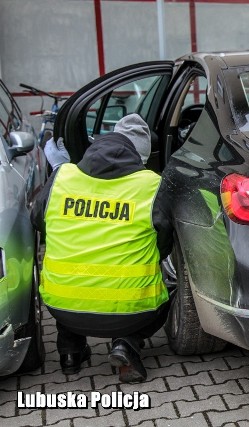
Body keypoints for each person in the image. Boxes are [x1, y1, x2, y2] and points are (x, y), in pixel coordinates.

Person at [31, 114, 173, 383]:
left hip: (61, 306)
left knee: (73, 288)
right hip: (133, 312)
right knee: (166, 296)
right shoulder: (151, 184)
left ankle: (70, 353)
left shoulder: (63, 176)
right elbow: (164, 241)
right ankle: (126, 343)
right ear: (139, 156)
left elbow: (38, 221)